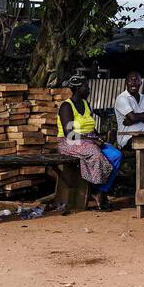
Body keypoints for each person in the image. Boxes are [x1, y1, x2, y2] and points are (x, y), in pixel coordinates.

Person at [56, 78, 121, 210]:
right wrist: (91, 140)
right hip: (69, 142)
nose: (89, 89)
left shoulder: (86, 104)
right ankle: (94, 188)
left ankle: (101, 191)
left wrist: (98, 137)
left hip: (88, 140)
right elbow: (69, 133)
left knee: (116, 154)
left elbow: (90, 126)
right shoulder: (66, 106)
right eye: (86, 87)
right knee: (94, 152)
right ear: (78, 89)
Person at [114, 71, 144, 184]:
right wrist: (141, 116)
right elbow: (135, 117)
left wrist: (134, 118)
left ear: (140, 83)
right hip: (127, 139)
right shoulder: (122, 98)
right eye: (130, 80)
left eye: (136, 80)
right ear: (126, 82)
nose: (133, 83)